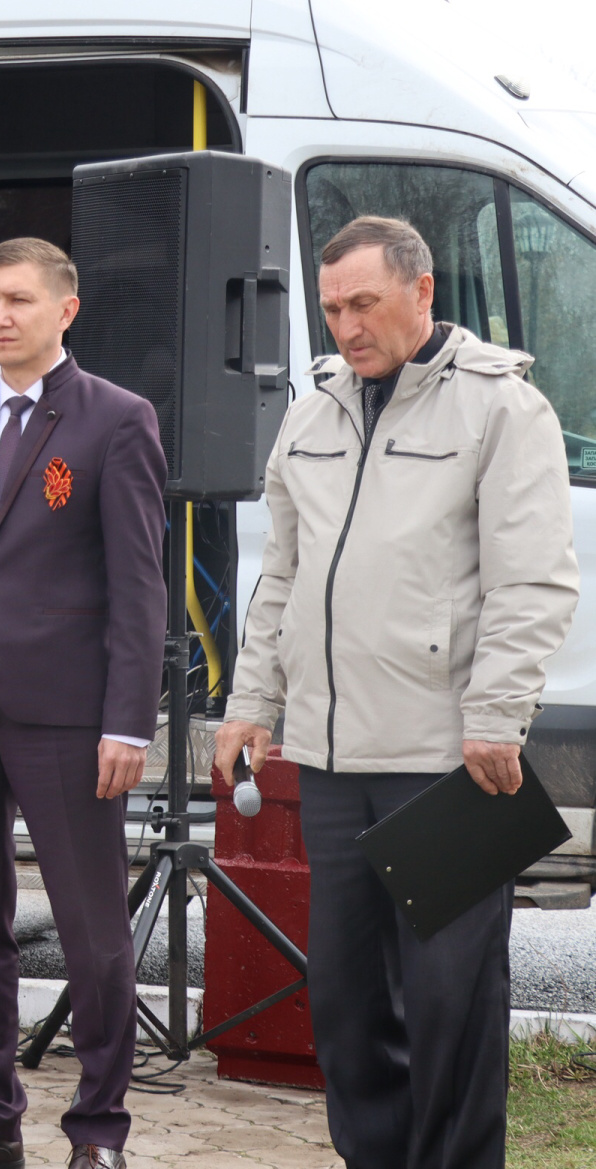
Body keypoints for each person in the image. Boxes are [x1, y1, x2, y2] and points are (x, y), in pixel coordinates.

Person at [215, 216, 578, 1169]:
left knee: (451, 1005)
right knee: (344, 1003)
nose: (346, 326)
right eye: (332, 308)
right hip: (331, 762)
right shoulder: (315, 408)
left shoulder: (503, 410)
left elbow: (531, 581)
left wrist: (497, 718)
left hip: (445, 764)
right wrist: (252, 701)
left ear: (422, 293)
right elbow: (282, 576)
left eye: (364, 304)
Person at [0, 238, 168, 1169]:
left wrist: (130, 719)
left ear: (66, 310)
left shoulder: (116, 420)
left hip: (70, 715)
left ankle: (98, 1132)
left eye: (16, 300)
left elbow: (139, 585)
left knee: (93, 933)